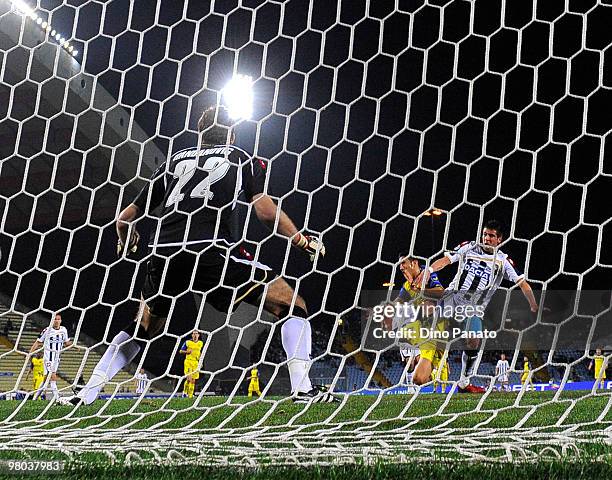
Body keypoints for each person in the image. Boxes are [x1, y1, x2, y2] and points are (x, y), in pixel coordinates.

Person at [62, 105, 337, 406]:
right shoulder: (241, 157)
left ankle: (86, 394)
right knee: (291, 304)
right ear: (231, 134)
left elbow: (124, 219)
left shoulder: (171, 163)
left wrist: (127, 240)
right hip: (212, 250)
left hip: (164, 255)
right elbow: (265, 210)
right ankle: (303, 390)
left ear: (200, 134)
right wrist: (300, 240)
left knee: (143, 328)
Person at [414, 220, 541, 393]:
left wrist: (534, 305)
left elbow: (523, 283)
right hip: (452, 299)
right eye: (485, 234)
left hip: (473, 309)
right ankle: (421, 358)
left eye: (491, 236)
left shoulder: (503, 261)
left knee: (474, 341)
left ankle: (464, 382)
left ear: (499, 240)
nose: (487, 238)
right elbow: (446, 260)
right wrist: (429, 270)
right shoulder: (469, 247)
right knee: (429, 321)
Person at [384, 253, 446, 388]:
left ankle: (437, 361)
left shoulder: (427, 274)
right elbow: (399, 301)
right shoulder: (407, 285)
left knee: (426, 306)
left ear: (414, 263)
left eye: (403, 263)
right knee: (418, 379)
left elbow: (441, 292)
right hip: (420, 328)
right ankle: (434, 371)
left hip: (437, 327)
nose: (401, 267)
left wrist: (420, 290)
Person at [29, 313, 72, 401]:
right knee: (53, 377)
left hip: (56, 359)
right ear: (52, 321)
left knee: (45, 380)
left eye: (58, 319)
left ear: (61, 321)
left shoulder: (64, 330)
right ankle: (57, 399)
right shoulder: (47, 330)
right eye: (55, 319)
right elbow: (38, 342)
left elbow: (67, 343)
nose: (56, 321)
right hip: (48, 358)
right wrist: (29, 353)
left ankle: (34, 398)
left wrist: (75, 346)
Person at [179, 330, 203, 398]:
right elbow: (180, 351)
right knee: (189, 379)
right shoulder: (187, 342)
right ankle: (185, 393)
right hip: (188, 362)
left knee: (193, 380)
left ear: (199, 335)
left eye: (196, 334)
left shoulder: (200, 343)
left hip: (195, 363)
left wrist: (200, 362)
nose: (195, 335)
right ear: (192, 335)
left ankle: (190, 395)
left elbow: (199, 353)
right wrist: (187, 352)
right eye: (193, 334)